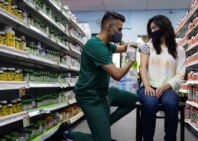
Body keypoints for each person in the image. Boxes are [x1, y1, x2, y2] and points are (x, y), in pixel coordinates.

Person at [48, 11, 138, 141]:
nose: (120, 33)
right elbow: (117, 75)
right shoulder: (95, 46)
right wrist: (132, 59)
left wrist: (134, 45)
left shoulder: (107, 45)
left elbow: (121, 48)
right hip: (89, 96)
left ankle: (104, 126)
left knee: (133, 99)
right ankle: (66, 134)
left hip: (103, 92)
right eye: (119, 29)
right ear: (109, 27)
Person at [138, 15, 186, 141]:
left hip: (168, 88)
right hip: (148, 86)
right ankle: (147, 138)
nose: (153, 31)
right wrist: (147, 85)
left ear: (165, 27)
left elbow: (180, 75)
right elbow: (142, 67)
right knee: (150, 103)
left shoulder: (179, 49)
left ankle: (170, 138)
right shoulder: (148, 47)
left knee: (170, 104)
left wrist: (166, 86)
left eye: (155, 27)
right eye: (151, 29)